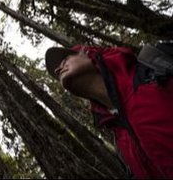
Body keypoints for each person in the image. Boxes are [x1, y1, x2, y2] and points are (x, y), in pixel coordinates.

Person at [45, 44, 173, 179]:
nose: (58, 69)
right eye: (57, 72)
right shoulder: (120, 143)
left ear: (88, 54)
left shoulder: (155, 68)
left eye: (65, 60)